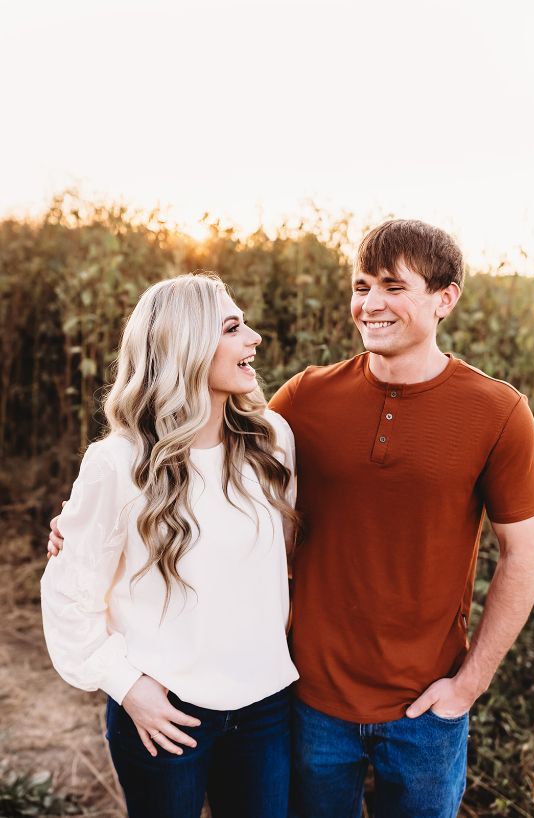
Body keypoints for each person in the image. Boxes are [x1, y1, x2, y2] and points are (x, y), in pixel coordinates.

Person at [267, 219, 534, 817]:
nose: (370, 304)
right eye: (362, 286)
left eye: (394, 286)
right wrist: (95, 526)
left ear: (446, 298)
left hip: (427, 711)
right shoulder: (305, 397)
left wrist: (468, 686)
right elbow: (211, 476)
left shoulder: (497, 411)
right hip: (311, 698)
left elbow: (524, 555)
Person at [41, 272, 299, 818]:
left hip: (266, 707)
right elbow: (69, 597)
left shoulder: (273, 441)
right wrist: (128, 686)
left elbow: (288, 560)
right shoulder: (117, 463)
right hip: (163, 710)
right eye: (233, 328)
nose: (253, 339)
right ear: (186, 346)